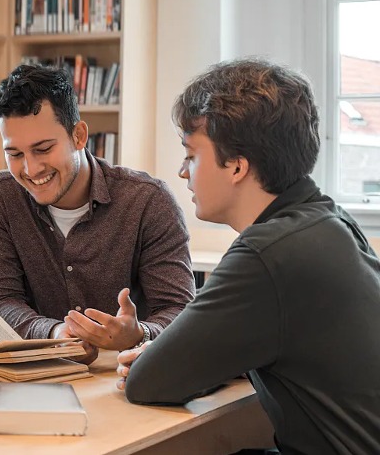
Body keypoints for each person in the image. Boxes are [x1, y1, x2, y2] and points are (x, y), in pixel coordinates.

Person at [118, 58, 380, 453]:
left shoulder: (267, 254)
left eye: (191, 155)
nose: (183, 171)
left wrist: (169, 358)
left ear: (237, 166)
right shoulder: (326, 218)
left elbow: (148, 382)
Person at [0, 64, 195, 364]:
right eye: (15, 154)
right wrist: (54, 333)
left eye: (43, 149)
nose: (30, 169)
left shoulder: (148, 201)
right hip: (36, 376)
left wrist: (140, 333)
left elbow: (179, 309)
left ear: (79, 135)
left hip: (127, 378)